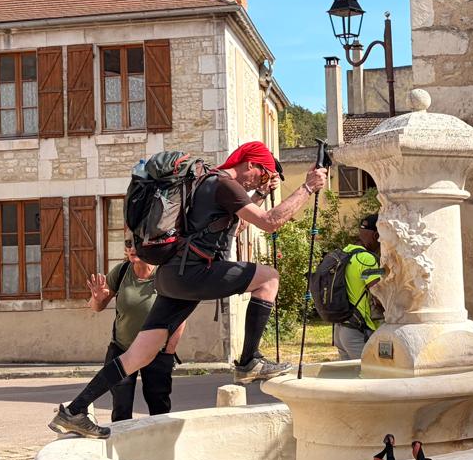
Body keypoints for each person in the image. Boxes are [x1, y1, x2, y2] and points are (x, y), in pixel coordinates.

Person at [52, 142, 329, 438]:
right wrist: (308, 187)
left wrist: (260, 194)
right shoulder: (224, 184)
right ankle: (249, 360)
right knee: (269, 278)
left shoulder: (204, 183)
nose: (261, 181)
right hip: (195, 272)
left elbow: (233, 228)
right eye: (263, 175)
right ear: (250, 164)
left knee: (139, 355)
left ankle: (74, 411)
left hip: (172, 276)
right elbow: (270, 222)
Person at [88, 239, 184, 422]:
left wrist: (169, 349)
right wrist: (97, 299)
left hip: (156, 351)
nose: (131, 248)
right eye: (128, 244)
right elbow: (96, 307)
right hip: (122, 349)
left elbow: (180, 315)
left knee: (159, 405)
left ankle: (160, 439)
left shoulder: (164, 274)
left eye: (136, 244)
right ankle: (123, 440)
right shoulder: (121, 271)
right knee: (121, 406)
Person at [332, 214, 384, 360]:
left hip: (340, 329)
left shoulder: (346, 252)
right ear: (376, 235)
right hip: (358, 331)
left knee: (349, 373)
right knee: (369, 372)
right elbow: (379, 295)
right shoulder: (367, 259)